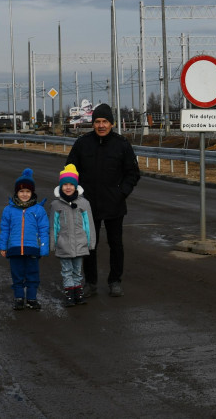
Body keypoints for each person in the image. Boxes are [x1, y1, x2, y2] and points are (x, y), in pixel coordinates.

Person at [66, 103, 140, 298]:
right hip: (87, 205)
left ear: (112, 124)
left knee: (116, 244)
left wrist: (121, 193)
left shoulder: (122, 144)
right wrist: (76, 194)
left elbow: (133, 173)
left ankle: (115, 281)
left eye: (105, 121)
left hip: (114, 205)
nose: (101, 125)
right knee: (90, 245)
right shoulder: (82, 144)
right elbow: (70, 171)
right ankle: (90, 282)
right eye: (97, 121)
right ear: (93, 124)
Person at [0, 168, 49, 310]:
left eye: (27, 191)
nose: (24, 194)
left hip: (32, 248)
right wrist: (3, 246)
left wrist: (44, 248)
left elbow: (43, 230)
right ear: (16, 193)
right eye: (21, 191)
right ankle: (19, 298)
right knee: (17, 275)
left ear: (32, 193)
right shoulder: (9, 210)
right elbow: (5, 229)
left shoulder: (38, 210)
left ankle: (32, 299)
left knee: (32, 275)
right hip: (14, 249)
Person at [50, 163, 94, 307]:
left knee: (77, 270)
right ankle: (70, 295)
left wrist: (90, 242)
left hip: (80, 244)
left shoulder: (84, 203)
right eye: (65, 184)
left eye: (71, 184)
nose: (68, 187)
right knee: (66, 270)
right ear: (60, 186)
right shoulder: (56, 205)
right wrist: (53, 243)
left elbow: (89, 225)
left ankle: (78, 293)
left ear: (76, 186)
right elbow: (54, 226)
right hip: (63, 244)